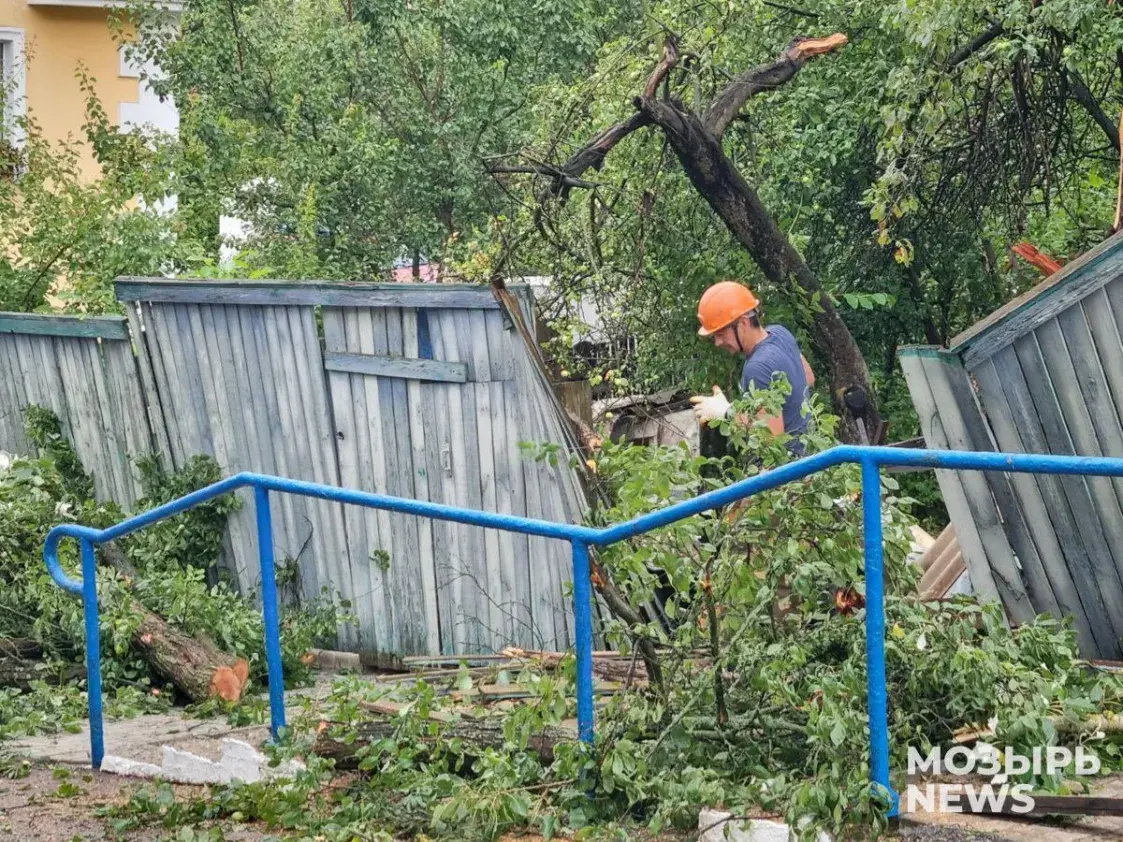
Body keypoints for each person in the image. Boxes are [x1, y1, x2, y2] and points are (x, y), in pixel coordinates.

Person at [689, 280, 815, 442]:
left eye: (720, 334)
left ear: (743, 323)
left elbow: (771, 437)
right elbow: (809, 379)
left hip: (793, 464)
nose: (717, 343)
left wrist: (726, 412)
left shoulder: (757, 367)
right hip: (811, 451)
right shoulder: (781, 333)